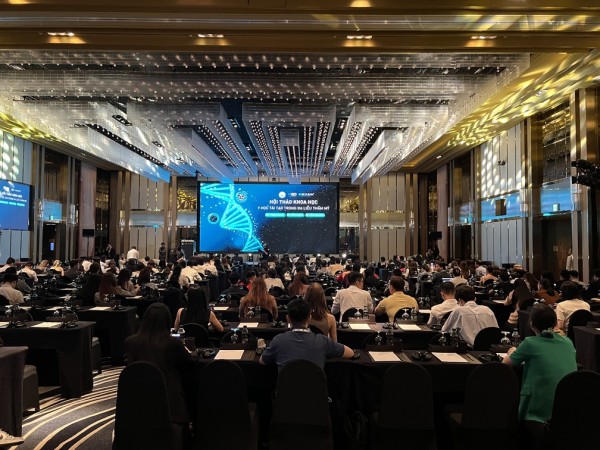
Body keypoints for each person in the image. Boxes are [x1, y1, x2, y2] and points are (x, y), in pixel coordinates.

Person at [125, 303, 192, 435]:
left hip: (137, 396)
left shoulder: (130, 342)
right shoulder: (173, 344)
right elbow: (187, 362)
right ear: (167, 321)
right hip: (170, 399)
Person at [502, 304, 576, 424]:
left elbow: (505, 364)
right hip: (567, 407)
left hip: (538, 410)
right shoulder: (568, 342)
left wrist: (512, 351)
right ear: (555, 324)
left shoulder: (530, 343)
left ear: (531, 324)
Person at [260, 297, 353, 370]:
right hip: (316, 389)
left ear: (288, 319)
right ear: (309, 319)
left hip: (286, 389)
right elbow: (350, 353)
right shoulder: (322, 341)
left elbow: (262, 361)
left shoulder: (278, 340)